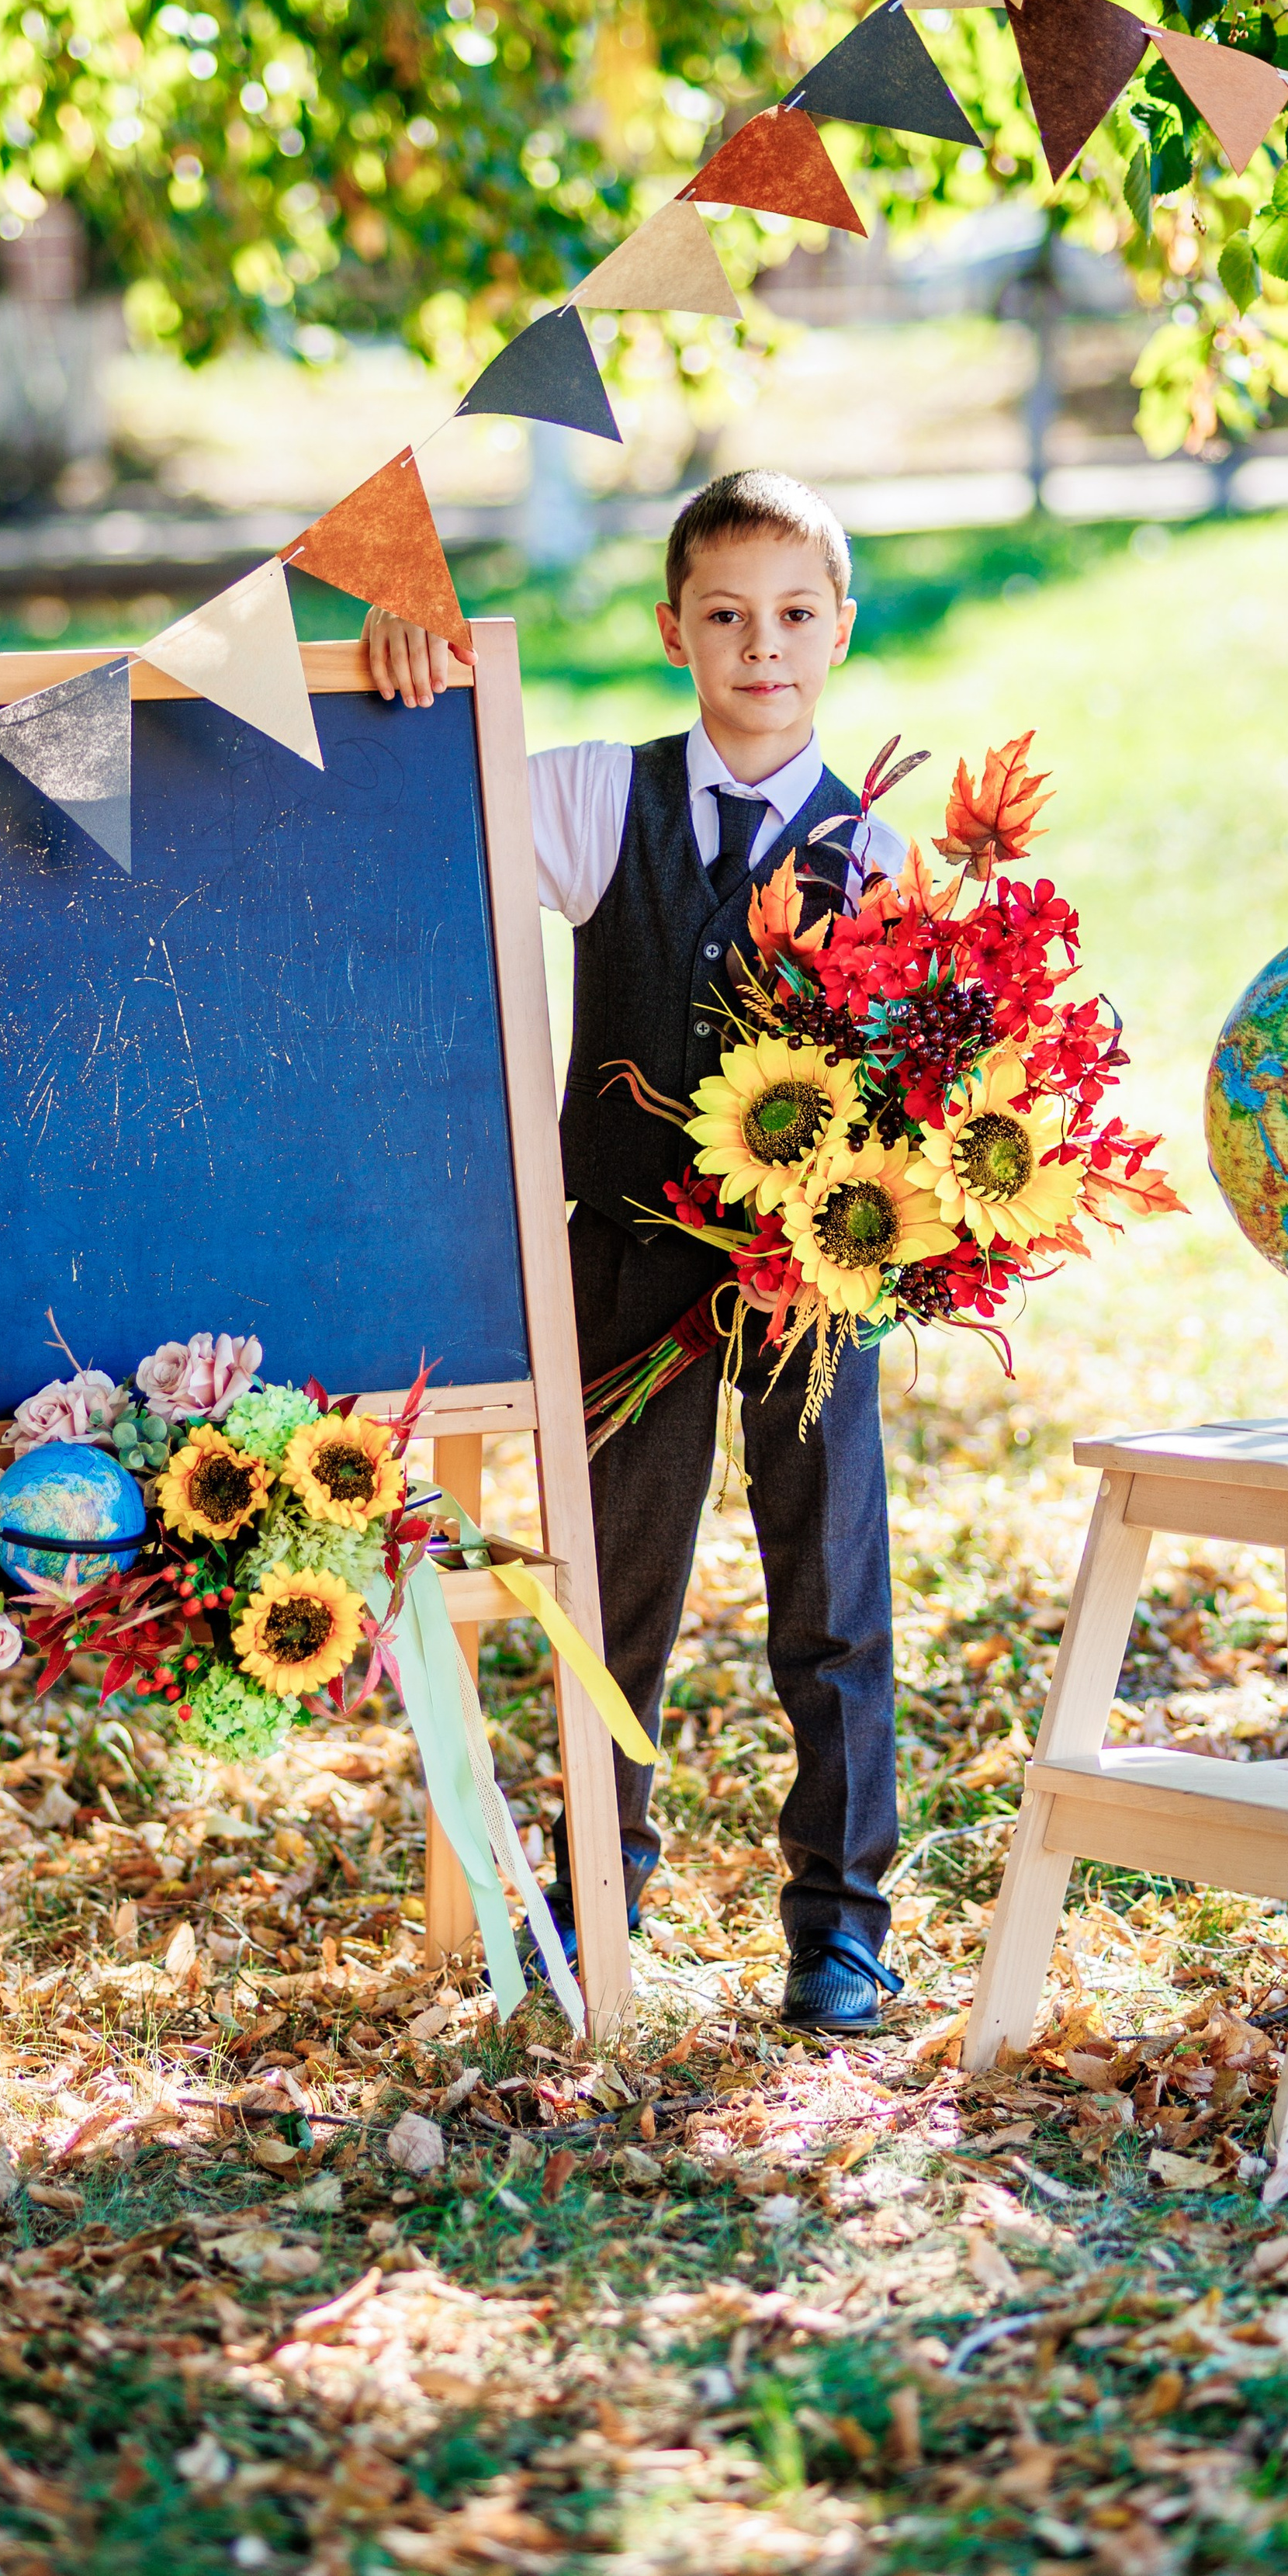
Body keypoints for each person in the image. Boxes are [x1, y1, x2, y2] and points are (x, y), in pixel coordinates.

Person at [361, 470, 908, 2033]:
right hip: (625, 1258)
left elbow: (917, 1083)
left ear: (838, 633)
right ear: (672, 629)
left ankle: (841, 1921)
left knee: (832, 1576)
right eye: (725, 617)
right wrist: (422, 660)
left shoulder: (876, 852)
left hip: (811, 1276)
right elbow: (422, 794)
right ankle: (604, 1885)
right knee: (614, 1585)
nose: (761, 648)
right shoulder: (603, 795)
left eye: (794, 615)